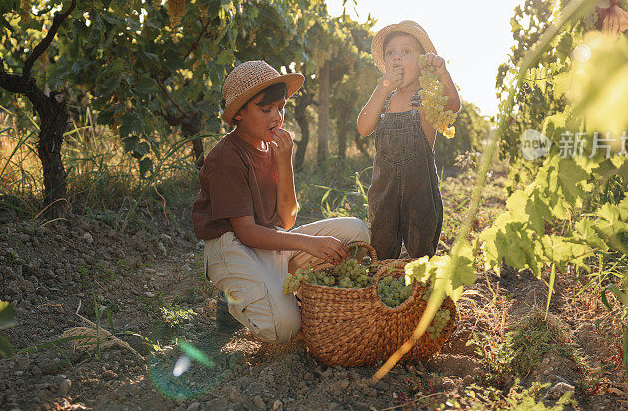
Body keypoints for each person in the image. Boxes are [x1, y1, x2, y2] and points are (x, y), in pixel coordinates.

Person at [192, 60, 371, 343]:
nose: (277, 118)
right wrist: (308, 243)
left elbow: (287, 221)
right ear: (238, 113)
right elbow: (246, 232)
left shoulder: (271, 147)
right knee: (284, 328)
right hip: (233, 247)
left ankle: (277, 287)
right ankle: (232, 300)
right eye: (266, 110)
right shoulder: (226, 158)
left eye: (281, 108)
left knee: (357, 234)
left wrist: (284, 162)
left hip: (270, 241)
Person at [356, 20, 460, 260]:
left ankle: (420, 292)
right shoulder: (384, 100)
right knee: (380, 248)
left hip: (420, 191)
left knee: (420, 251)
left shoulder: (427, 97)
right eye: (390, 53)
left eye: (406, 51)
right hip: (383, 192)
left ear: (422, 62)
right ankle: (380, 287)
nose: (397, 58)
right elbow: (363, 127)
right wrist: (381, 89)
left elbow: (452, 107)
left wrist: (443, 74)